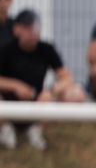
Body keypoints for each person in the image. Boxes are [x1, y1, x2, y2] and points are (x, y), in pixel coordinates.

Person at [0, 10, 86, 152]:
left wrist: (51, 92)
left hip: (37, 101)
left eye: (36, 27)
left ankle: (36, 130)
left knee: (77, 94)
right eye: (28, 27)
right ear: (17, 29)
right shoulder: (6, 50)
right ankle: (5, 129)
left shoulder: (46, 49)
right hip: (8, 105)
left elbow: (66, 77)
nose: (33, 31)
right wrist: (15, 86)